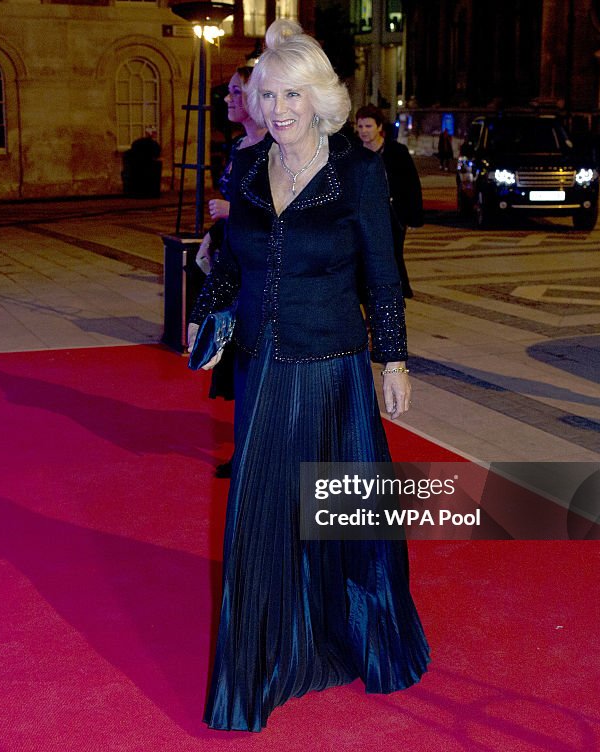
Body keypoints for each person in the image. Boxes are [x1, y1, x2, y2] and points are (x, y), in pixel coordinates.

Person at [188, 19, 429, 732]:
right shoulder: (245, 166)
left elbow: (383, 277)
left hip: (335, 370)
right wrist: (209, 313)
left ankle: (366, 636)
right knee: (260, 521)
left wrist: (393, 358)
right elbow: (232, 262)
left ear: (319, 97)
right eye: (268, 94)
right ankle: (262, 662)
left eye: (293, 93)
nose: (279, 108)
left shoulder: (357, 170)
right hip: (264, 371)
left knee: (345, 520)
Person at [195, 66, 268, 477]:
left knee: (257, 363)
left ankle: (259, 454)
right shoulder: (240, 145)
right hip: (230, 264)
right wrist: (213, 233)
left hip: (257, 274)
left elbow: (283, 216)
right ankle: (245, 452)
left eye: (237, 92)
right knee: (238, 362)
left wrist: (232, 212)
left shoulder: (274, 148)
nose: (228, 99)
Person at [355, 105, 424, 298]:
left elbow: (411, 184)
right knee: (361, 258)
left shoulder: (396, 151)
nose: (364, 131)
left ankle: (394, 296)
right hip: (363, 216)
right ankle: (366, 295)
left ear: (379, 127)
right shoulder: (355, 153)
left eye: (368, 126)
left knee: (391, 256)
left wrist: (413, 217)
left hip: (392, 216)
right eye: (360, 127)